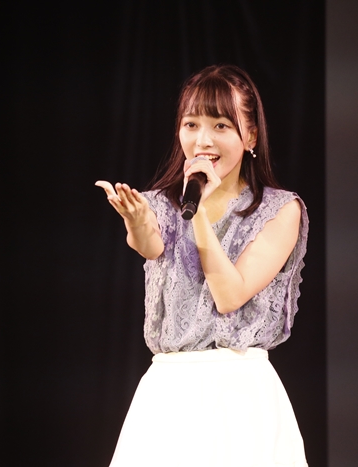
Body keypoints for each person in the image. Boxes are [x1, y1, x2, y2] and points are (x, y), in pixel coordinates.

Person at [96, 64, 309, 467]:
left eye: (221, 126)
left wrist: (198, 213)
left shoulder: (281, 210)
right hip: (168, 395)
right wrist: (137, 221)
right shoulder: (160, 203)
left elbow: (229, 295)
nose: (202, 140)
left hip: (241, 396)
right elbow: (148, 244)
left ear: (251, 136)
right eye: (191, 124)